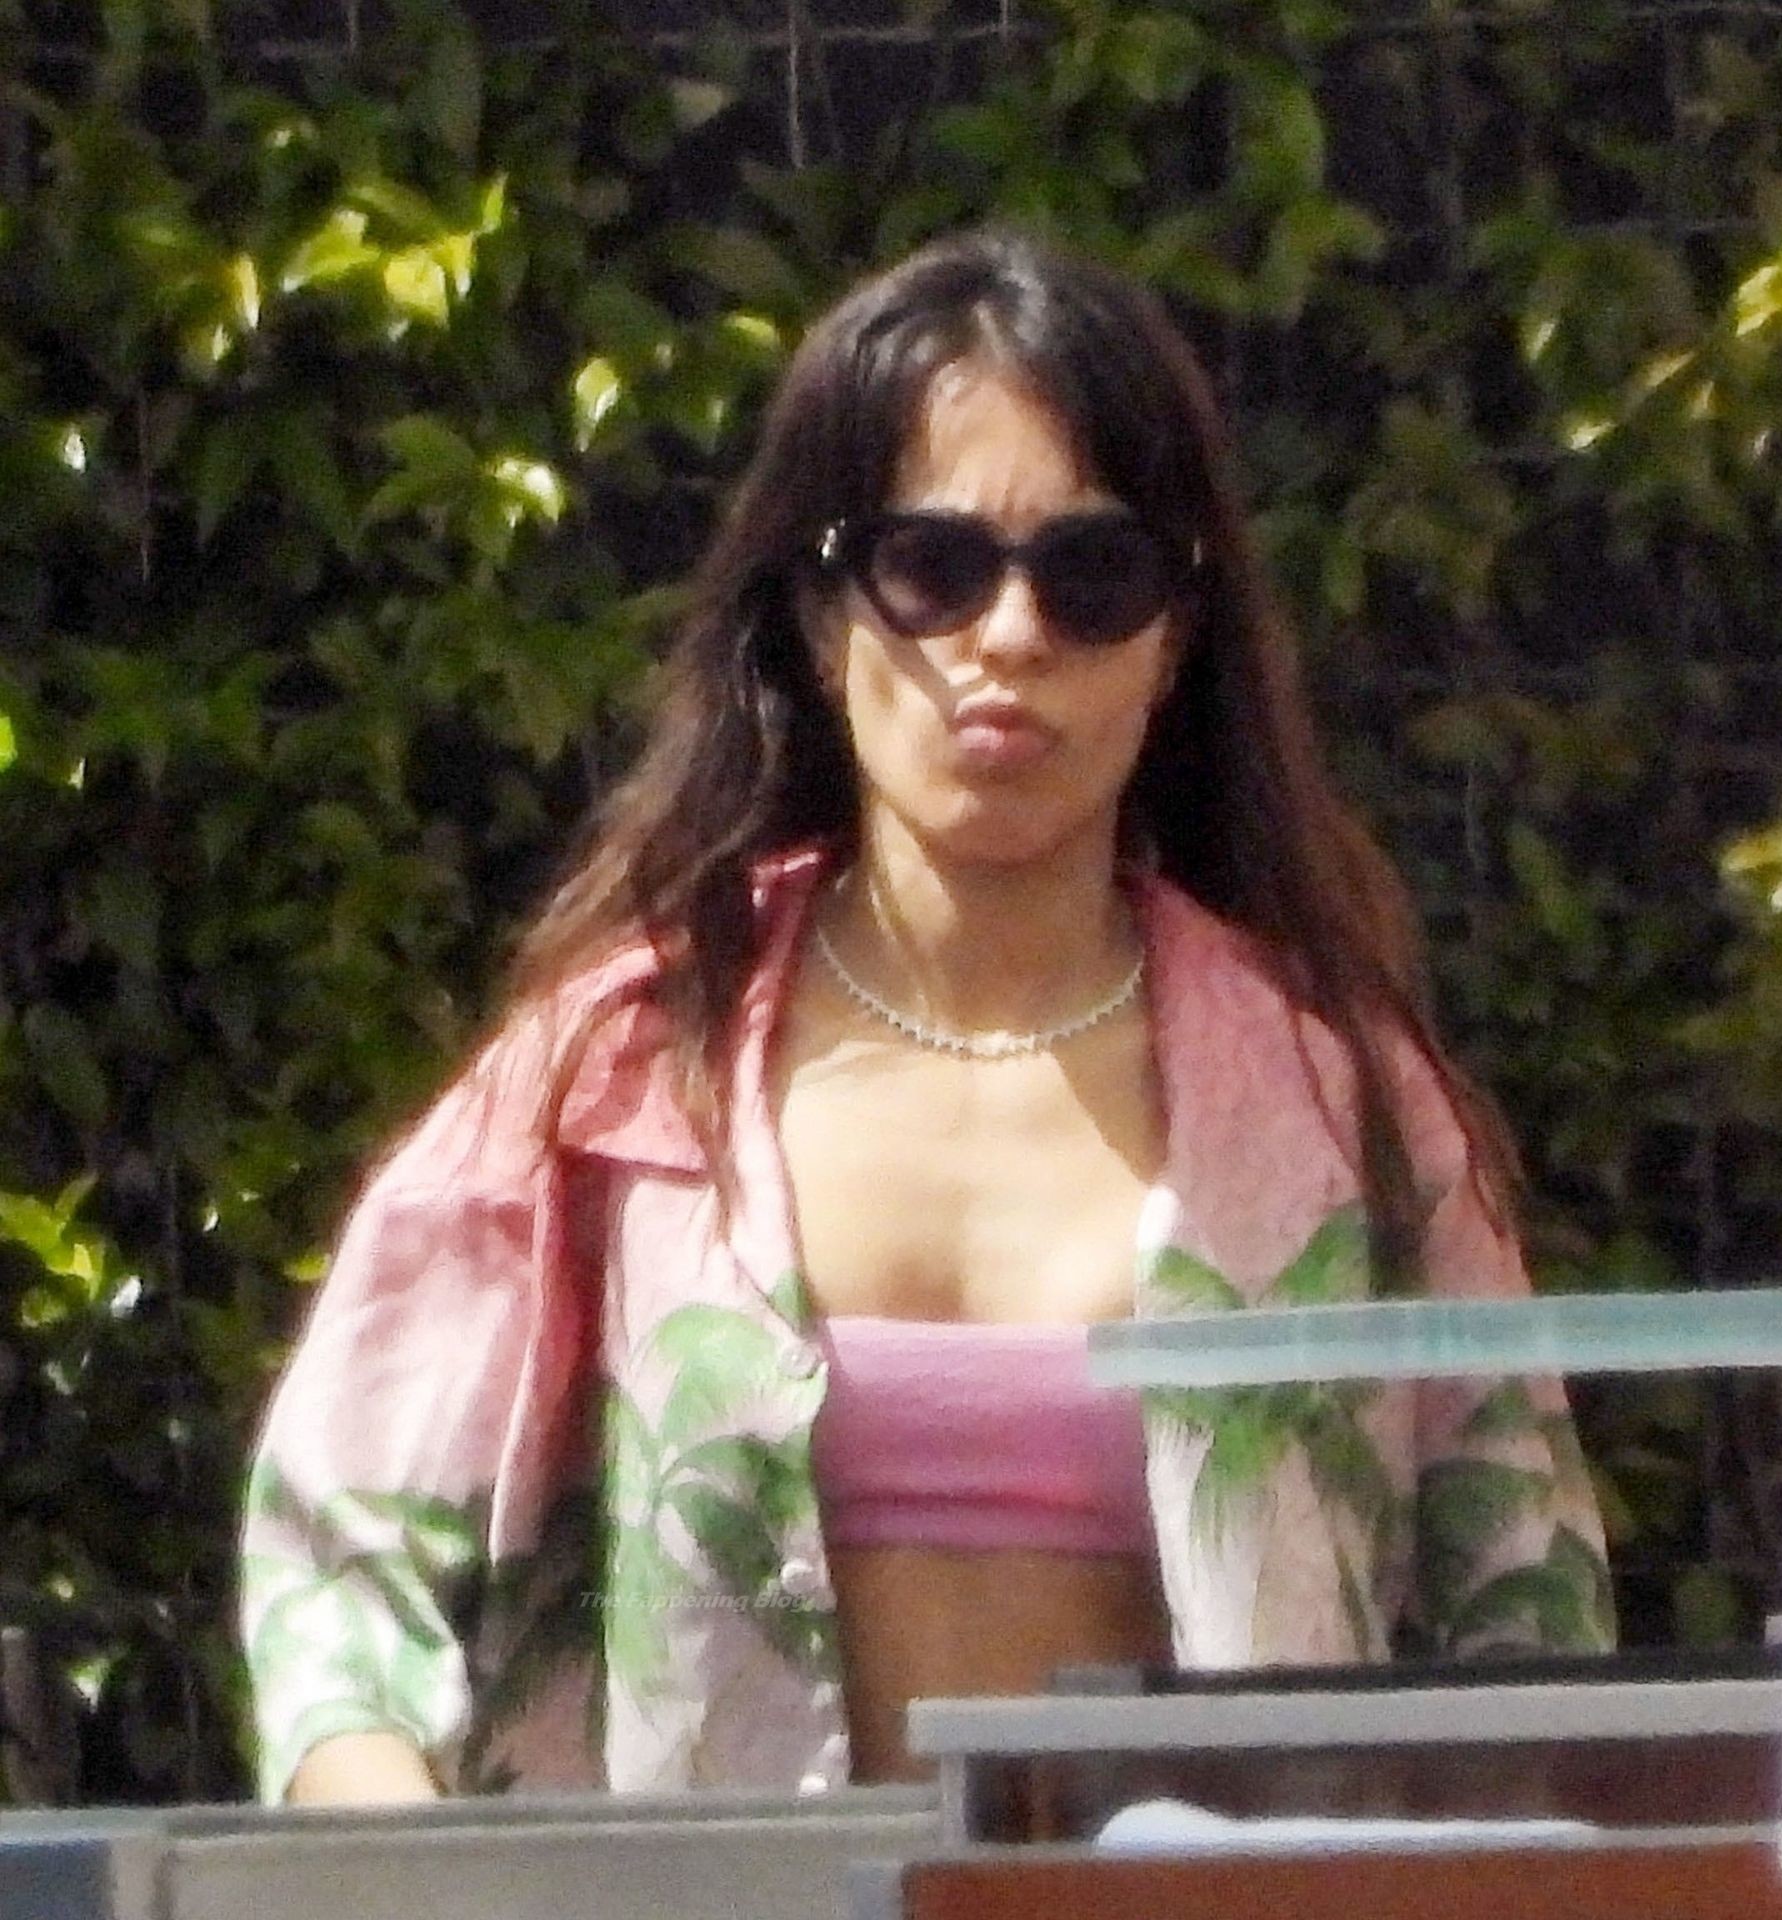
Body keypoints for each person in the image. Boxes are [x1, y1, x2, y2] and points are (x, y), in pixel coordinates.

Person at [239, 227, 1615, 1806]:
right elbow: (339, 1563)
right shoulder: (624, 1067)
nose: (1009, 636)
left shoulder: (1333, 1098)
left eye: (1092, 574)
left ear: (1175, 638)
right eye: (933, 565)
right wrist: (414, 1861)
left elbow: (1531, 1623)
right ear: (824, 619)